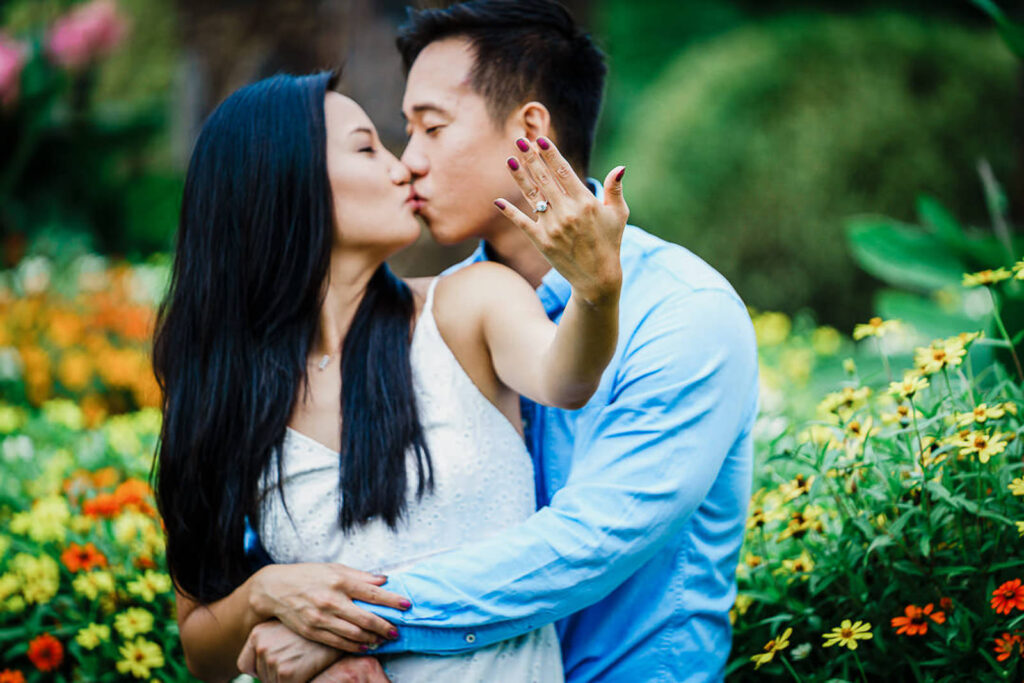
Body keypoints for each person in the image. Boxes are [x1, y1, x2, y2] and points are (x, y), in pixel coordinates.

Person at [239, 1, 760, 682]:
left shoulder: (683, 315)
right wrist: (275, 599)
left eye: (432, 127)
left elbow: (589, 543)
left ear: (530, 132)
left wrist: (352, 629)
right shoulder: (436, 314)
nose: (408, 162)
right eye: (405, 131)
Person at [152, 69, 630, 682]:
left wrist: (596, 288)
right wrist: (264, 594)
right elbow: (203, 651)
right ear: (284, 182)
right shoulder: (224, 396)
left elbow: (567, 379)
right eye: (365, 147)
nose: (403, 167)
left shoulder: (467, 304)